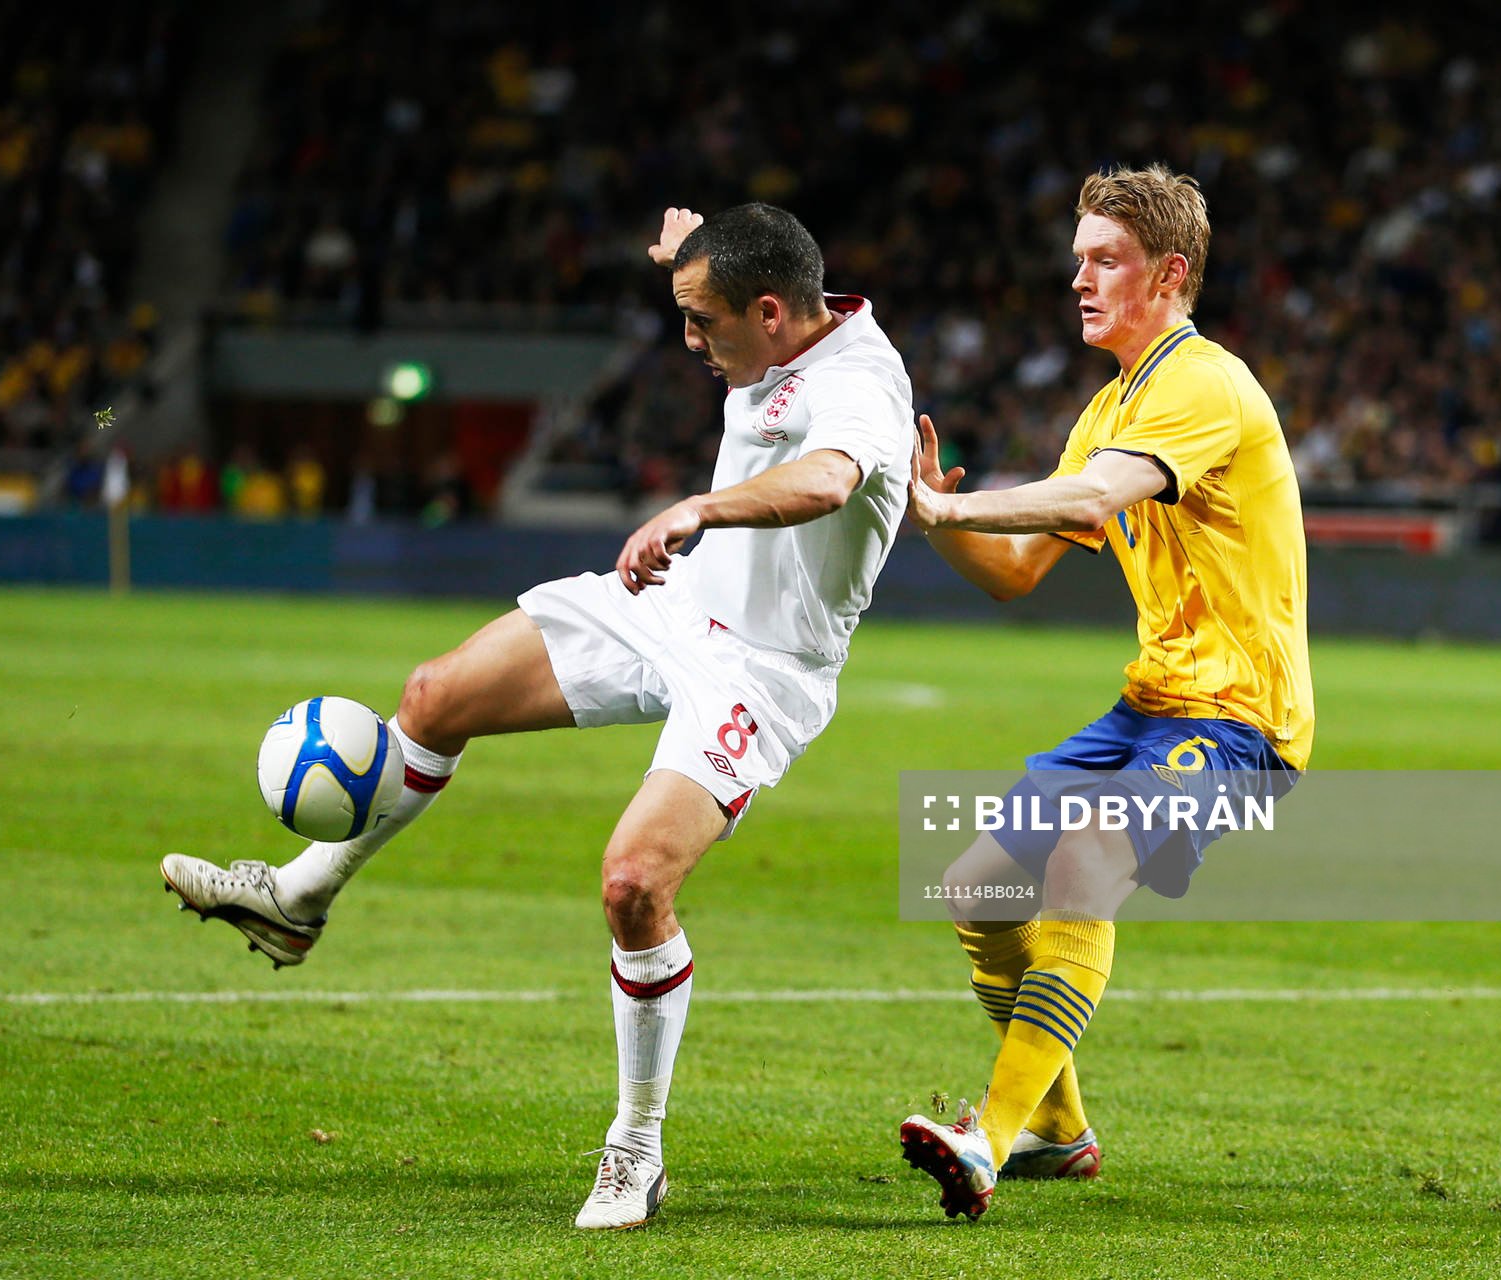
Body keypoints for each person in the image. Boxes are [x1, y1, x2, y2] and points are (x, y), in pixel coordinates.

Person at [159, 203, 915, 1230]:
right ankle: (299, 898)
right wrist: (685, 261)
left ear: (772, 313)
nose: (689, 340)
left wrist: (698, 506)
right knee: (432, 696)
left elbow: (830, 476)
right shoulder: (773, 315)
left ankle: (634, 1148)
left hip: (762, 667)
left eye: (702, 320)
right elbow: (735, 296)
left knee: (633, 884)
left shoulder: (859, 384)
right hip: (672, 604)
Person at [896, 164, 1315, 1220]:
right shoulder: (1112, 403)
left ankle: (985, 1137)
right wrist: (935, 514)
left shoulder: (1204, 383)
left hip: (1239, 719)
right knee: (976, 884)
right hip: (1149, 705)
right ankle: (1060, 1127)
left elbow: (1092, 494)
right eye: (1077, 256)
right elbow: (1023, 568)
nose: (1076, 277)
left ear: (1168, 274)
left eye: (1104, 259)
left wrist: (957, 511)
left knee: (1086, 853)